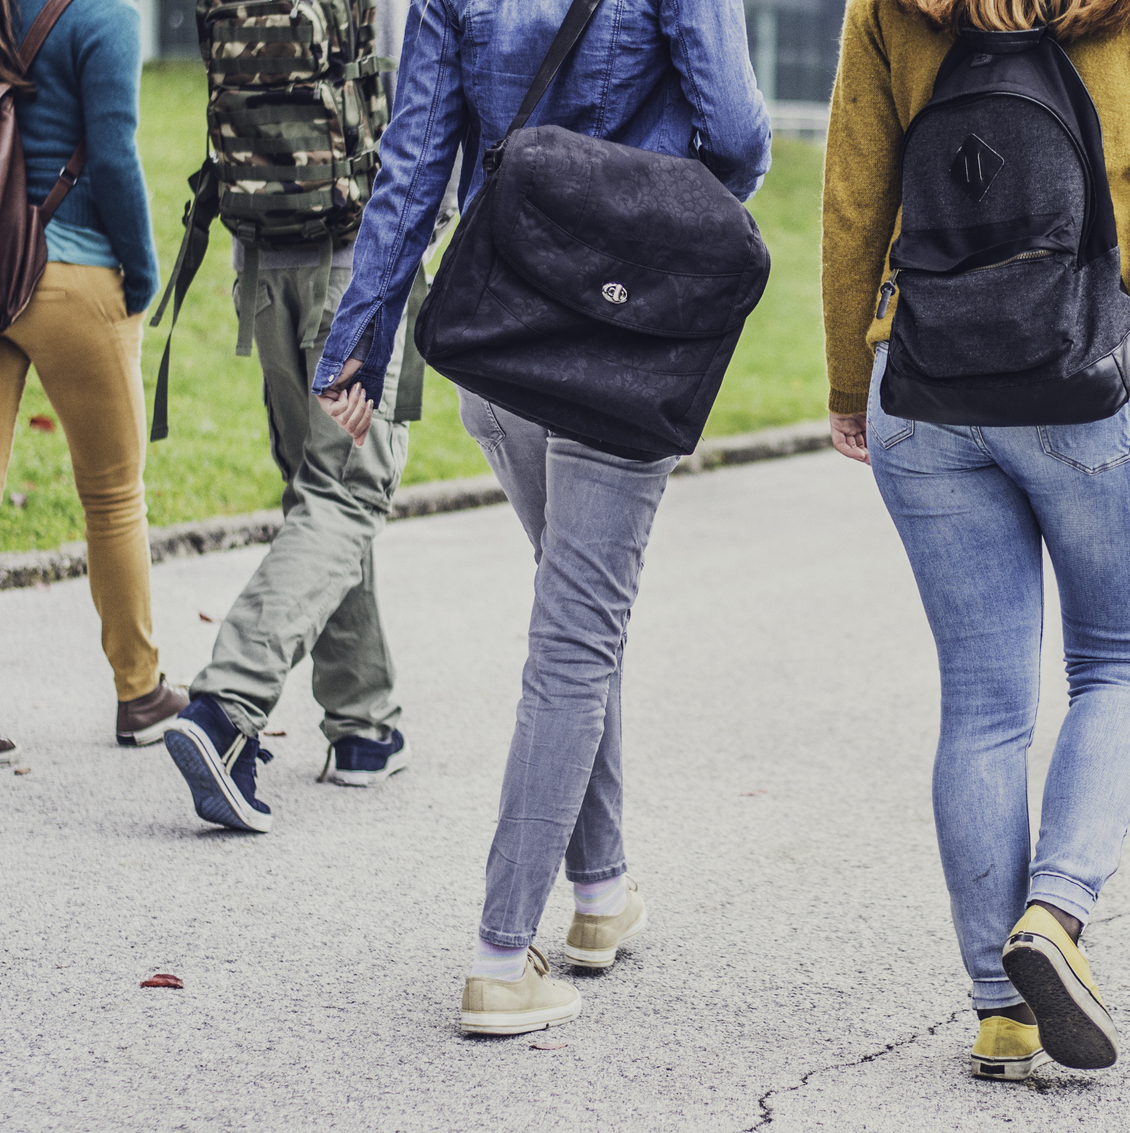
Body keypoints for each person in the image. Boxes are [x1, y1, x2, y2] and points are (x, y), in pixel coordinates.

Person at [304, 0, 769, 1034]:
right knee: (576, 633)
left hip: (501, 320)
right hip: (625, 337)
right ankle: (497, 954)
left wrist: (359, 340)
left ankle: (598, 892)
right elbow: (736, 135)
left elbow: (414, 164)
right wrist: (662, 218)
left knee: (576, 617)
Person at [821, 0, 1130, 1078]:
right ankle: (1052, 916)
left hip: (922, 379)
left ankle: (998, 1009)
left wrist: (846, 375)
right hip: (1099, 381)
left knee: (980, 700)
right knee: (1121, 661)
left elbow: (851, 200)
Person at [158, 9, 425, 832]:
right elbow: (430, 111)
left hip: (262, 267)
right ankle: (227, 706)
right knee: (345, 496)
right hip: (359, 268)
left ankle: (362, 725)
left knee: (322, 491)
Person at [0, 0, 185, 774]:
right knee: (112, 496)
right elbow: (114, 155)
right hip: (70, 272)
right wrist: (141, 273)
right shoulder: (105, 15)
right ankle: (140, 694)